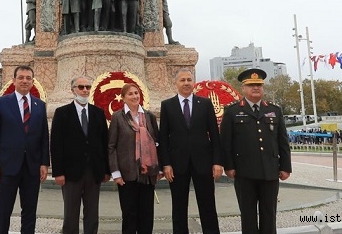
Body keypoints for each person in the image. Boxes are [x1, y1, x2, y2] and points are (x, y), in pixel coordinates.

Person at [221, 68, 292, 234]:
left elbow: (282, 141)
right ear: (243, 88)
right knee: (248, 214)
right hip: (244, 171)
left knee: (269, 213)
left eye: (259, 85)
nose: (255, 88)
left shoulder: (274, 110)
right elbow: (226, 143)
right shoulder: (232, 111)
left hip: (270, 170)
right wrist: (229, 166)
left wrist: (286, 166)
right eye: (251, 85)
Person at [0, 65, 50, 234]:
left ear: (32, 81)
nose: (24, 81)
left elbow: (44, 136)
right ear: (14, 80)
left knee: (29, 212)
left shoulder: (39, 105)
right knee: (3, 211)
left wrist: (44, 162)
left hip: (32, 167)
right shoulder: (2, 103)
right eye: (21, 77)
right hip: (7, 167)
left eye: (28, 78)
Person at [158, 68, 222, 234]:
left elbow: (215, 135)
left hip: (204, 163)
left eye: (189, 80)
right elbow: (163, 137)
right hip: (177, 165)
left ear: (193, 82)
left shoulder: (205, 104)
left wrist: (217, 162)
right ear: (176, 83)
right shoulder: (167, 105)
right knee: (179, 207)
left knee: (208, 205)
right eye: (182, 80)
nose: (186, 83)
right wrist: (165, 164)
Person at [51, 76, 110, 234]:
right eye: (81, 87)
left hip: (94, 171)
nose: (85, 90)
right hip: (70, 173)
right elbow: (56, 145)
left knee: (92, 213)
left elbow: (105, 143)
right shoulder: (62, 113)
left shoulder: (98, 113)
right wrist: (58, 172)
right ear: (73, 90)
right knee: (71, 213)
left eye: (88, 87)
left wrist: (107, 170)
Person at [109, 83, 160, 234]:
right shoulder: (118, 117)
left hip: (147, 174)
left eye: (136, 93)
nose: (135, 96)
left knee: (147, 215)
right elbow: (111, 146)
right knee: (129, 215)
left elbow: (157, 143)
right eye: (130, 94)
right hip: (127, 174)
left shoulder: (149, 116)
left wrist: (158, 167)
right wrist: (115, 172)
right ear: (123, 98)